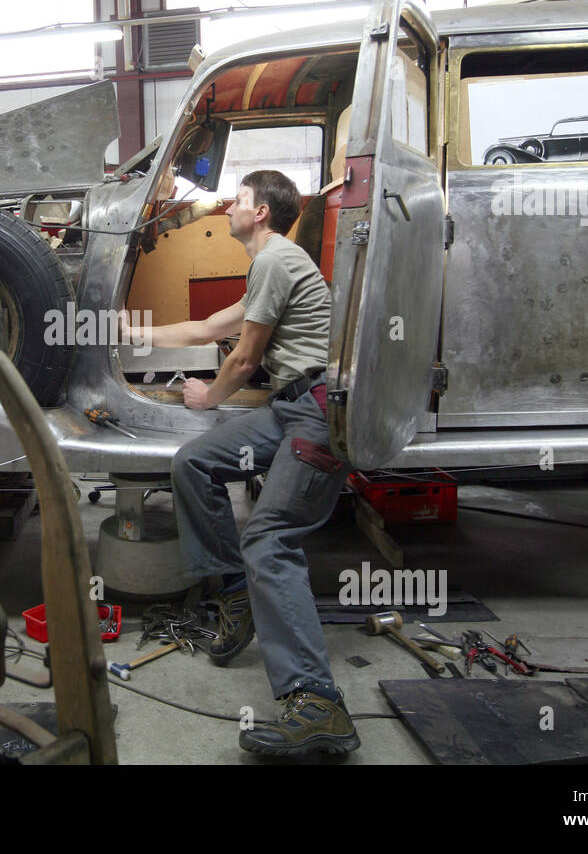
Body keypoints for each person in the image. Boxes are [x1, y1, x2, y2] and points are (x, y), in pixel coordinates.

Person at [124, 169, 356, 757]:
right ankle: (233, 594)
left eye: (241, 200)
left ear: (261, 214)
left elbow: (246, 356)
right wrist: (131, 329)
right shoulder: (267, 265)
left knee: (270, 540)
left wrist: (212, 396)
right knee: (193, 464)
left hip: (317, 414)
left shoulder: (276, 260)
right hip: (288, 408)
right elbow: (208, 327)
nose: (229, 205)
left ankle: (318, 705)